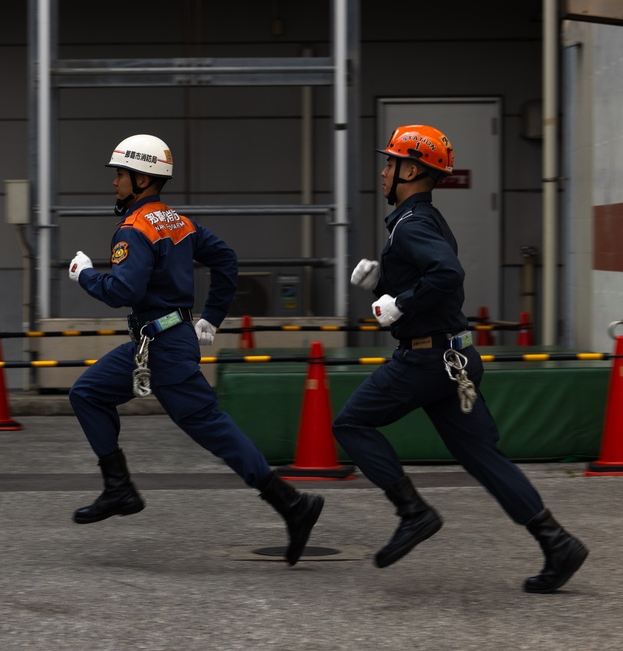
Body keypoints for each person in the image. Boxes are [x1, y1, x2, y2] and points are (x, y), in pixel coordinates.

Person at [334, 125, 588, 593]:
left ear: (412, 170)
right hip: (454, 357)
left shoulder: (412, 225)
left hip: (426, 361)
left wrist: (401, 303)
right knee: (483, 457)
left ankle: (414, 512)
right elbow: (434, 279)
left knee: (349, 425)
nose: (384, 170)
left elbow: (447, 274)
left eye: (391, 163)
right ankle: (557, 542)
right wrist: (382, 286)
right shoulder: (423, 221)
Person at [67, 134, 323, 565]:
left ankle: (292, 504)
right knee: (88, 392)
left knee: (214, 429)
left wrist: (86, 275)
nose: (114, 182)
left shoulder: (133, 229)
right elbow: (225, 258)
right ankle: (119, 488)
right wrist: (211, 317)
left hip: (162, 348)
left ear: (142, 179)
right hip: (161, 341)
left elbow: (123, 290)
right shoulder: (177, 221)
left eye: (120, 174)